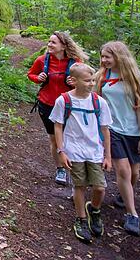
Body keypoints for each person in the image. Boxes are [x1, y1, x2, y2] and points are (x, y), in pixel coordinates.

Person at [51, 63, 112, 243]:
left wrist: (108, 156)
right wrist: (61, 151)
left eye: (93, 80)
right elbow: (58, 126)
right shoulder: (64, 100)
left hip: (94, 151)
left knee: (100, 187)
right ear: (74, 81)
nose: (91, 83)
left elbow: (105, 129)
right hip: (74, 150)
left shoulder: (99, 102)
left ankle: (94, 209)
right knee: (80, 186)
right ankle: (81, 219)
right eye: (87, 80)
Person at [96, 41, 140, 236]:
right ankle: (132, 214)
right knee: (123, 170)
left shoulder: (138, 79)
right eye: (102, 56)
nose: (103, 60)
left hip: (133, 132)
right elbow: (95, 100)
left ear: (119, 56)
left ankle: (123, 196)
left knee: (135, 173)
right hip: (112, 130)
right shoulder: (103, 77)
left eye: (107, 57)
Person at [27, 31, 89, 185]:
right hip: (47, 104)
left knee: (72, 138)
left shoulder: (76, 63)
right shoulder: (42, 60)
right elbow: (31, 74)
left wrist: (75, 82)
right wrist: (38, 77)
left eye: (53, 42)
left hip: (70, 106)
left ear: (63, 46)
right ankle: (60, 168)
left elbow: (87, 82)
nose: (49, 45)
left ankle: (79, 168)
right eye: (49, 42)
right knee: (54, 139)